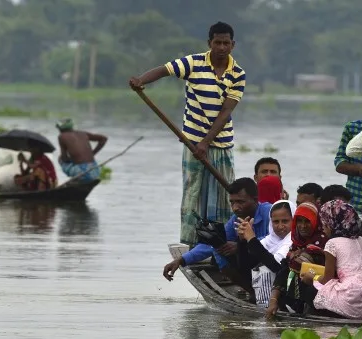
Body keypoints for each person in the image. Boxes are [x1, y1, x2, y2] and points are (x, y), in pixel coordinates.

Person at [129, 22, 246, 246]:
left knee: (223, 195)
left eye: (226, 43)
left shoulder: (237, 74)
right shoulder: (193, 63)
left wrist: (206, 142)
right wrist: (141, 81)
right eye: (217, 42)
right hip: (192, 143)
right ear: (209, 43)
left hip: (221, 143)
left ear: (233, 45)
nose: (221, 47)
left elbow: (226, 111)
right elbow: (164, 70)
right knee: (193, 191)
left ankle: (220, 243)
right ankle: (193, 242)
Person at [162, 178, 271, 289]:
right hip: (254, 266)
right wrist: (181, 260)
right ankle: (251, 290)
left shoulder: (269, 212)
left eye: (240, 202)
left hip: (273, 265)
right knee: (219, 249)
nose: (235, 208)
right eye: (232, 202)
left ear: (255, 200)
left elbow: (278, 240)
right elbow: (212, 243)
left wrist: (240, 246)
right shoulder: (236, 219)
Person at [299, 200, 362, 320]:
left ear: (332, 224)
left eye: (324, 225)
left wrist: (311, 277)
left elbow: (326, 280)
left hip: (351, 305)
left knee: (307, 289)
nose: (323, 229)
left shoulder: (332, 244)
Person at [266, 202, 329, 317]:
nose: (302, 226)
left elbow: (295, 264)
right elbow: (285, 269)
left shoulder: (322, 242)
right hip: (300, 296)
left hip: (319, 296)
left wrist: (294, 258)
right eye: (299, 221)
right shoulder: (296, 244)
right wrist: (273, 300)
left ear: (316, 221)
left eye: (307, 221)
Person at [237, 200, 295, 309]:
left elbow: (276, 266)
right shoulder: (268, 240)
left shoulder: (293, 241)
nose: (280, 226)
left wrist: (252, 239)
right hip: (264, 298)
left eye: (285, 221)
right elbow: (246, 265)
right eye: (276, 222)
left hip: (286, 299)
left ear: (294, 220)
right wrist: (243, 241)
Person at [56, 119, 108, 183]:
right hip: (95, 171)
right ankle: (77, 177)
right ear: (71, 127)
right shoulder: (83, 133)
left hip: (82, 172)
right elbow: (104, 138)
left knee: (60, 158)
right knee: (75, 161)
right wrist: (93, 153)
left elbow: (64, 158)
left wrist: (68, 159)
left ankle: (77, 177)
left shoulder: (62, 136)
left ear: (60, 129)